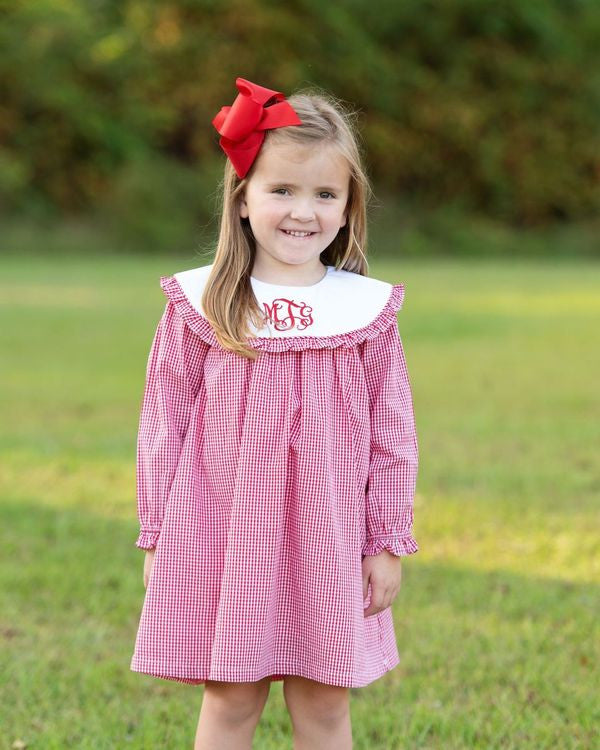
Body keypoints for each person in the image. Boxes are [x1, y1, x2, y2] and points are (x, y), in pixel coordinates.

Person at [130, 76, 420, 750]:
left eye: (325, 194)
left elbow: (392, 435)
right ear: (242, 198)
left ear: (349, 207)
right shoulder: (201, 306)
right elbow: (161, 429)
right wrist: (155, 531)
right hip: (226, 530)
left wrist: (385, 539)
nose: (302, 211)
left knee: (324, 702)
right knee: (231, 699)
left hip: (331, 529)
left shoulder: (366, 314)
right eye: (282, 189)